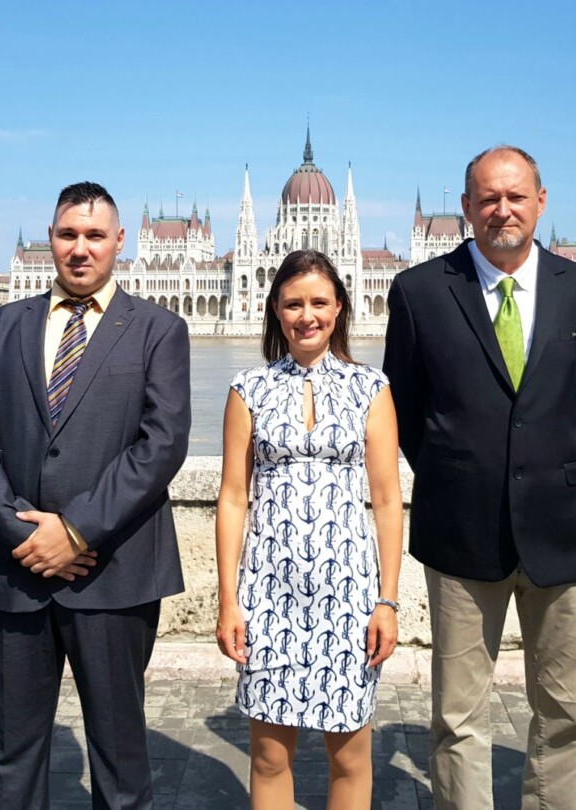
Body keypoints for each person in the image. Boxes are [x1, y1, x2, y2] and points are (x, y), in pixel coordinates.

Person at [384, 145, 576, 809]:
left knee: (566, 710)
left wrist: (547, 469)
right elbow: (405, 410)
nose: (502, 210)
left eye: (515, 196)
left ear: (541, 202)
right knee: (458, 715)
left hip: (560, 528)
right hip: (459, 529)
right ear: (466, 207)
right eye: (488, 198)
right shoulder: (420, 291)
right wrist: (460, 473)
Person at [0, 181, 190, 810]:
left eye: (94, 235)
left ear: (119, 242)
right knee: (14, 750)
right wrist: (25, 533)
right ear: (50, 240)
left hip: (114, 572)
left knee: (120, 752)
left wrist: (76, 529)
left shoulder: (160, 329)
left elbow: (162, 445)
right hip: (15, 568)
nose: (80, 248)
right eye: (67, 234)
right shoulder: (0, 327)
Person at [215, 250, 403, 809]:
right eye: (293, 304)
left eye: (319, 302)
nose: (307, 316)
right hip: (268, 592)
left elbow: (387, 500)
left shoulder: (371, 387)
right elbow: (233, 497)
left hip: (348, 594)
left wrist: (387, 601)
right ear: (275, 309)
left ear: (339, 307)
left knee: (350, 755)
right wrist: (228, 601)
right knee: (270, 756)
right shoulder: (248, 388)